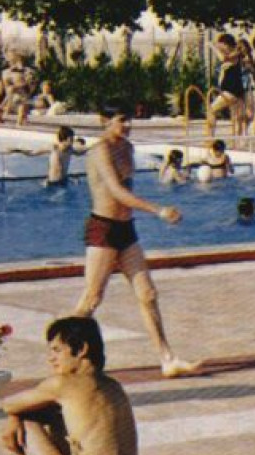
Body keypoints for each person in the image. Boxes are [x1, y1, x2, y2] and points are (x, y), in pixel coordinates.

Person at [72, 104, 197, 379]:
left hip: (125, 229)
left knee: (148, 294)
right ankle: (65, 355)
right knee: (92, 299)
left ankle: (167, 358)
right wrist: (158, 210)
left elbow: (127, 189)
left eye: (129, 120)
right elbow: (116, 192)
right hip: (103, 229)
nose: (127, 125)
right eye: (121, 120)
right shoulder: (100, 151)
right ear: (105, 121)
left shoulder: (127, 148)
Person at [0, 317, 142, 455]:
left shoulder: (63, 384)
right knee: (54, 419)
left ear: (81, 349)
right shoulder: (113, 385)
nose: (50, 358)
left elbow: (8, 404)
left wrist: (15, 417)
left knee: (25, 424)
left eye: (57, 350)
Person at [210, 34, 248, 138]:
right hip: (232, 90)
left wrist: (213, 47)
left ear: (227, 45)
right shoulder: (233, 55)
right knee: (236, 117)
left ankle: (210, 137)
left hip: (231, 91)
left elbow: (223, 58)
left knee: (211, 110)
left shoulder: (235, 54)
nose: (221, 49)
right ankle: (238, 141)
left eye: (223, 46)